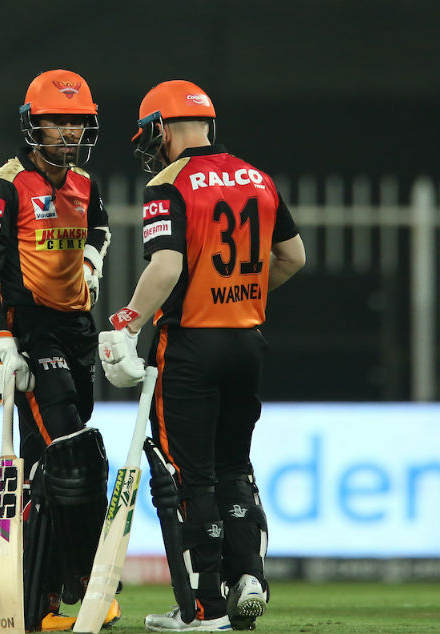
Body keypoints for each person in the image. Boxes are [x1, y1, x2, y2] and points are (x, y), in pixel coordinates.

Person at [98, 80, 306, 632]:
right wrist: (239, 297)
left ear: (163, 127)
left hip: (191, 345)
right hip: (247, 342)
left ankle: (204, 607)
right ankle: (249, 578)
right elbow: (293, 257)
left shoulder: (168, 183)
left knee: (190, 476)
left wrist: (126, 322)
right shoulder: (256, 177)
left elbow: (165, 267)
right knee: (235, 467)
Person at [0, 69, 118, 632]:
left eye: (77, 122)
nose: (69, 133)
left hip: (77, 331)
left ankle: (41, 607)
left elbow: (99, 230)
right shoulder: (2, 186)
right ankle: (89, 582)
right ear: (33, 125)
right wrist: (1, 341)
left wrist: (92, 264)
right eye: (58, 122)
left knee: (47, 471)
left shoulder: (85, 184)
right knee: (72, 457)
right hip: (30, 332)